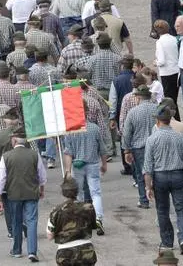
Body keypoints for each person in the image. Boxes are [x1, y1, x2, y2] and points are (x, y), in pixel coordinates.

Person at [143, 105, 183, 257]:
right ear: (170, 120)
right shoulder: (179, 137)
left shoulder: (152, 139)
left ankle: (167, 242)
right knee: (181, 209)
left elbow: (148, 167)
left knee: (162, 210)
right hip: (178, 175)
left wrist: (148, 187)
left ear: (158, 121)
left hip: (160, 177)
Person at [0, 128, 47, 262]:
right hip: (31, 192)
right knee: (32, 221)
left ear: (15, 140)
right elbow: (41, 174)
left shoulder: (6, 156)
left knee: (16, 221)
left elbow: (1, 179)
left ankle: (17, 249)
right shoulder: (34, 154)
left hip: (14, 194)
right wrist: (41, 189)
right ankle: (32, 251)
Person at [61, 102, 109, 233]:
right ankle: (98, 218)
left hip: (77, 165)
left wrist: (67, 171)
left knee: (79, 193)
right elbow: (102, 149)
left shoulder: (71, 130)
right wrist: (104, 164)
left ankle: (81, 221)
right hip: (93, 163)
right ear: (87, 112)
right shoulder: (95, 128)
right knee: (96, 193)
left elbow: (68, 152)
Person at [122, 85, 160, 208]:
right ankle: (159, 197)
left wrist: (126, 150)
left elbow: (127, 132)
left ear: (138, 97)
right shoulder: (157, 109)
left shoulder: (133, 112)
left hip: (139, 147)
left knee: (140, 174)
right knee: (157, 171)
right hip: (156, 145)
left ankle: (144, 200)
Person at [46, 177, 97, 266]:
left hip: (65, 253)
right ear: (77, 191)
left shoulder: (56, 211)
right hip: (86, 250)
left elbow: (50, 236)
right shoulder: (88, 207)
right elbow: (93, 226)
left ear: (63, 193)